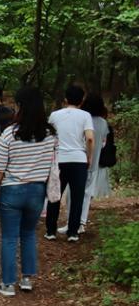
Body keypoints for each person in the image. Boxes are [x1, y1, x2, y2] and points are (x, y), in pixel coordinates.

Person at [0, 87, 57, 296]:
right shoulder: (50, 134)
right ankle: (26, 279)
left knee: (9, 237)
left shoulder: (11, 133)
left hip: (12, 189)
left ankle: (7, 284)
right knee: (28, 234)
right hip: (37, 191)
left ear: (20, 106)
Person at [45, 85, 95, 242]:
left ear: (65, 99)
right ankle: (73, 232)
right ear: (82, 100)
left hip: (59, 160)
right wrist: (89, 156)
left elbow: (48, 137)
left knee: (55, 195)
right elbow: (90, 138)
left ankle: (51, 231)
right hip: (79, 160)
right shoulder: (85, 116)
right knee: (77, 196)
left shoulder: (54, 115)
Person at [58, 94, 110, 235]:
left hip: (79, 161)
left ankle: (71, 223)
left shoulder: (82, 119)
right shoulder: (103, 123)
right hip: (93, 164)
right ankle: (81, 223)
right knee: (86, 195)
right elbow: (103, 143)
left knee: (71, 195)